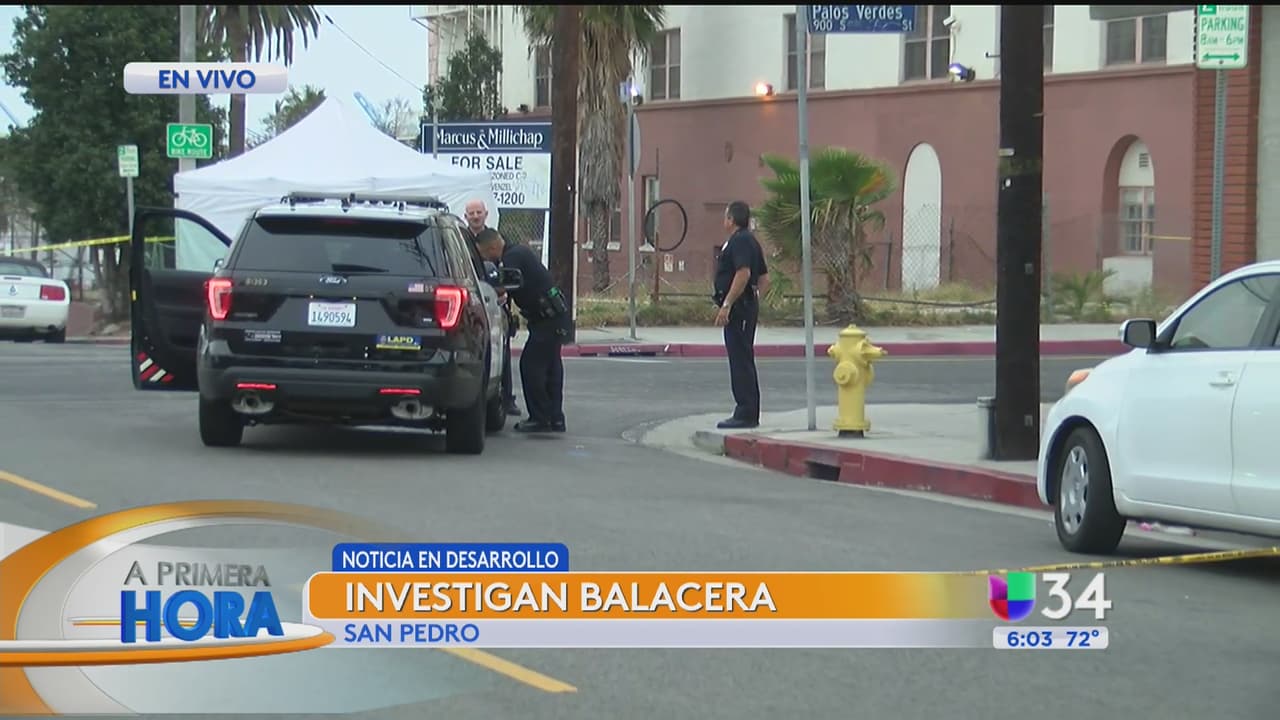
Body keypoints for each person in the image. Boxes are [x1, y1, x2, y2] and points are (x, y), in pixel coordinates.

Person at [473, 228, 568, 434]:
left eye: (484, 254)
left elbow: (503, 286)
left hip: (547, 318)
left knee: (531, 366)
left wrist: (482, 290)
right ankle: (555, 417)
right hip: (551, 317)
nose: (485, 259)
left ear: (493, 247)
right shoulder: (517, 252)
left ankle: (540, 418)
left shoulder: (512, 257)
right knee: (551, 368)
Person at [460, 199, 520, 417]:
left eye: (479, 212)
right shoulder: (460, 238)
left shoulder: (496, 239)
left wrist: (504, 293)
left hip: (497, 303)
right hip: (471, 304)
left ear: (486, 214)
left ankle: (506, 399)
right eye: (471, 213)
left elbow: (508, 270)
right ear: (466, 217)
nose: (475, 216)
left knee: (501, 352)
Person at [713, 201, 769, 429]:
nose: (724, 220)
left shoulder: (741, 241)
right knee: (741, 358)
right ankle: (747, 410)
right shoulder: (748, 240)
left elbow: (743, 273)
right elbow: (764, 278)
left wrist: (728, 304)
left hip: (739, 309)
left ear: (731, 219)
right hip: (745, 306)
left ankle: (746, 413)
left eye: (725, 216)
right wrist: (755, 299)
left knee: (741, 360)